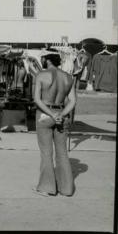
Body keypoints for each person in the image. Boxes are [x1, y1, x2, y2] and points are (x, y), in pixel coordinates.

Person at [33, 49, 76, 197]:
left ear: (47, 59)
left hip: (45, 114)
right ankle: (67, 189)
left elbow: (37, 100)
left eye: (43, 58)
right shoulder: (68, 77)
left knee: (46, 153)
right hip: (62, 114)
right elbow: (73, 101)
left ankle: (47, 187)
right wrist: (61, 115)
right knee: (62, 153)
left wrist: (51, 114)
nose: (42, 61)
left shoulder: (41, 75)